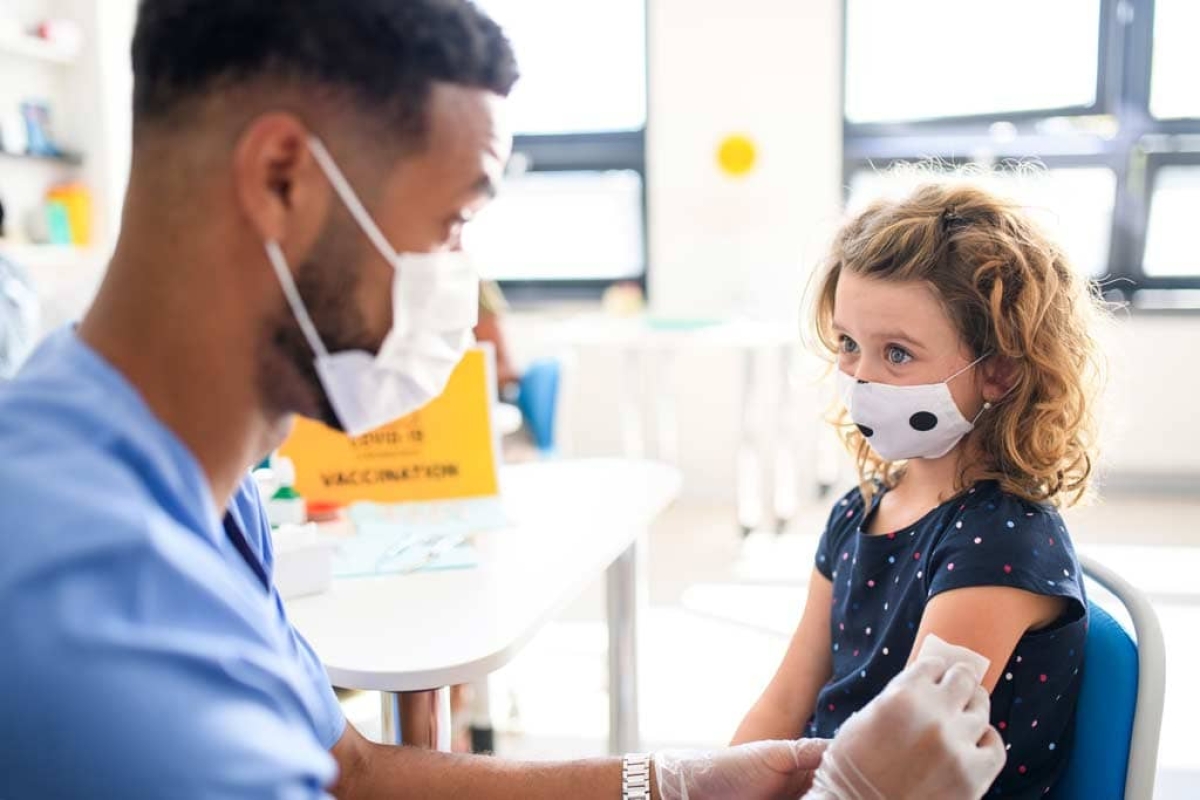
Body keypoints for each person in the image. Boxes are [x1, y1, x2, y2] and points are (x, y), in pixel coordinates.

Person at [0, 3, 1005, 798]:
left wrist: (668, 783)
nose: (462, 279)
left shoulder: (177, 473)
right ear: (282, 179)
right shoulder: (93, 627)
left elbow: (350, 772)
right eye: (452, 221)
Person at [732, 178, 1105, 798]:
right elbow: (786, 699)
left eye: (898, 354)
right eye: (849, 344)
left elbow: (905, 763)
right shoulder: (859, 510)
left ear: (998, 371)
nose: (861, 377)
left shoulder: (1001, 546)